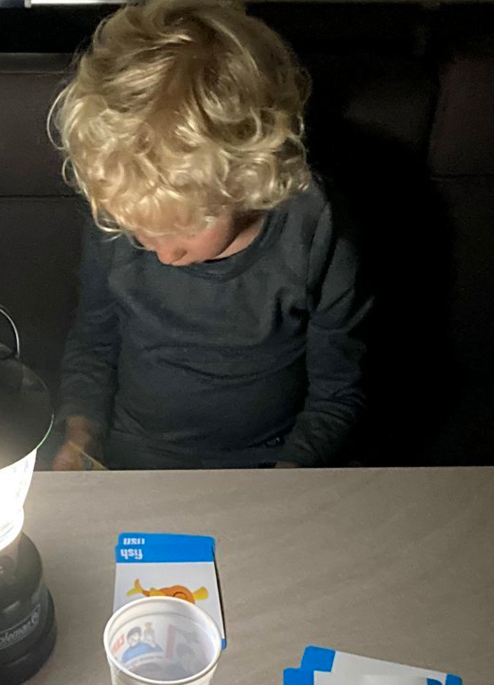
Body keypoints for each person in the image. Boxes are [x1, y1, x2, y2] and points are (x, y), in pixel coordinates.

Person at [48, 0, 370, 471]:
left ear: (247, 178)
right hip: (129, 459)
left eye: (185, 226)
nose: (164, 252)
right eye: (139, 229)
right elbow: (94, 340)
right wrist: (79, 438)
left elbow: (338, 389)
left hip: (268, 465)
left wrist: (291, 476)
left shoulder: (315, 228)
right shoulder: (127, 198)